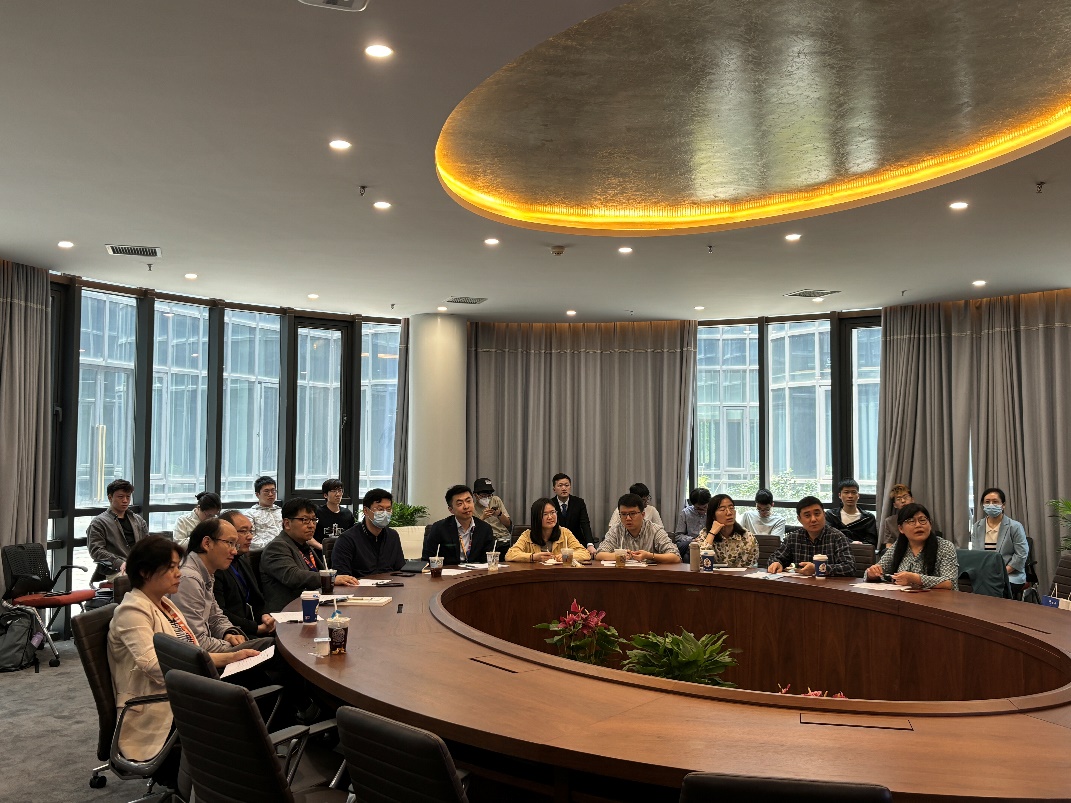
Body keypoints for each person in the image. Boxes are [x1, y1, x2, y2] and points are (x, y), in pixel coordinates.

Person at [107, 536, 258, 764]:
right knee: (244, 695)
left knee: (252, 674)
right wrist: (209, 670)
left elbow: (192, 652)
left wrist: (232, 657)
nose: (179, 574)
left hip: (184, 692)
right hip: (159, 705)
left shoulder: (165, 603)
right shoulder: (132, 611)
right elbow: (154, 667)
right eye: (171, 568)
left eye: (178, 566)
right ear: (145, 572)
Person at [170, 518, 275, 652]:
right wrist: (236, 647)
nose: (234, 551)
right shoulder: (189, 578)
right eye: (230, 543)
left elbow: (215, 617)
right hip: (195, 658)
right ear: (207, 543)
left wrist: (229, 633)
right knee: (272, 648)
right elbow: (194, 641)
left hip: (209, 647)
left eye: (235, 545)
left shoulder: (206, 572)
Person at [260, 497, 359, 612]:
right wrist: (330, 578)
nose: (311, 525)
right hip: (288, 612)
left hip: (313, 605)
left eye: (313, 520)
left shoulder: (304, 545)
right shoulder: (276, 547)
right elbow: (293, 576)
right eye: (305, 520)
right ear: (287, 523)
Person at [213, 511, 276, 639]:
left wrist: (264, 616)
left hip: (254, 625)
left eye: (251, 531)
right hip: (234, 633)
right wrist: (256, 628)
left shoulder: (242, 559)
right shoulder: (217, 567)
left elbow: (256, 598)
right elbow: (220, 612)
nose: (250, 536)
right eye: (243, 531)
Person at [865, 503, 958, 590]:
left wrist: (915, 579)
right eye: (911, 521)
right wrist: (872, 574)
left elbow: (950, 583)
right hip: (903, 598)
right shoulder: (898, 546)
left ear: (930, 524)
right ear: (901, 528)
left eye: (922, 520)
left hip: (937, 599)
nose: (918, 525)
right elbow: (876, 570)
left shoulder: (945, 547)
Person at [768, 496, 855, 576]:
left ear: (824, 514)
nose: (813, 519)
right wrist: (776, 563)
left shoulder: (837, 537)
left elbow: (849, 567)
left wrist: (818, 569)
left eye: (817, 514)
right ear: (799, 519)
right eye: (807, 515)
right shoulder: (793, 538)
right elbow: (775, 558)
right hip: (800, 585)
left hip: (828, 586)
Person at [970, 487, 1029, 599]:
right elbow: (976, 554)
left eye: (995, 502)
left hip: (1010, 575)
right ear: (983, 505)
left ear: (1003, 505)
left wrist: (1003, 572)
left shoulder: (1015, 526)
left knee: (994, 588)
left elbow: (1021, 554)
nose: (991, 505)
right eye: (987, 502)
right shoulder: (977, 526)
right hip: (985, 574)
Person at [332, 489, 406, 577]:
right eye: (380, 509)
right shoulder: (348, 539)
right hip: (359, 584)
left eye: (388, 509)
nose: (385, 513)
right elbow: (342, 576)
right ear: (366, 511)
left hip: (390, 584)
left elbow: (400, 569)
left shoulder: (393, 536)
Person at [88, 479, 149, 583]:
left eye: (128, 497)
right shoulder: (99, 522)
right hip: (115, 570)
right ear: (110, 497)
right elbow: (96, 551)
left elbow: (147, 545)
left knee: (165, 574)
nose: (125, 500)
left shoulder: (138, 520)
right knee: (140, 580)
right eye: (120, 497)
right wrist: (119, 563)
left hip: (138, 566)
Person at [421, 485, 498, 565]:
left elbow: (487, 561)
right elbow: (426, 561)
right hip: (448, 572)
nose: (466, 506)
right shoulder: (439, 528)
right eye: (460, 504)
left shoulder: (485, 529)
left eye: (468, 501)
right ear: (451, 510)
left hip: (475, 572)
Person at [596, 493, 681, 564]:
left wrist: (649, 555)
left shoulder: (655, 530)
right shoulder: (616, 530)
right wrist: (618, 555)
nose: (628, 518)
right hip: (623, 575)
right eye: (624, 514)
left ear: (643, 515)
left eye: (632, 514)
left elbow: (676, 557)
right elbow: (599, 554)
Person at [506, 498, 588, 563]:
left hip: (559, 574)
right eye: (545, 514)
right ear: (536, 517)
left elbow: (585, 553)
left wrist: (568, 556)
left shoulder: (564, 532)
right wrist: (533, 557)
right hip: (536, 574)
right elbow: (509, 555)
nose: (550, 517)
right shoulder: (527, 535)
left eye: (552, 512)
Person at [697, 494, 758, 568]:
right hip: (713, 575)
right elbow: (699, 562)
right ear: (713, 515)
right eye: (722, 510)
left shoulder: (747, 537)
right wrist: (712, 533)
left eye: (731, 508)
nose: (729, 513)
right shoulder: (705, 534)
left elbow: (752, 566)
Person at [825, 479, 878, 546]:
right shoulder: (831, 515)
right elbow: (828, 536)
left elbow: (872, 541)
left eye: (853, 492)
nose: (850, 496)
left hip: (860, 551)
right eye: (846, 492)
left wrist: (858, 545)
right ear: (839, 495)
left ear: (858, 495)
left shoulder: (868, 518)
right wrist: (850, 542)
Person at [551, 473, 594, 551]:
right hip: (556, 543)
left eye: (566, 485)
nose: (564, 488)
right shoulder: (550, 504)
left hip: (577, 542)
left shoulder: (579, 502)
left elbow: (585, 524)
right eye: (560, 485)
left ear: (570, 487)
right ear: (554, 489)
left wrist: (590, 544)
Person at [473, 477, 513, 544]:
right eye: (483, 495)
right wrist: (482, 517)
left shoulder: (495, 500)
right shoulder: (472, 508)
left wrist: (499, 514)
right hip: (486, 540)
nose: (487, 498)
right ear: (475, 495)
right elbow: (472, 531)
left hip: (503, 537)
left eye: (489, 495)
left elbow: (508, 524)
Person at [247, 475, 283, 549]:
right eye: (266, 491)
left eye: (273, 491)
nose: (271, 494)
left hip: (287, 548)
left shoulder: (281, 511)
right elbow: (250, 539)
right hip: (264, 551)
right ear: (257, 494)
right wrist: (275, 545)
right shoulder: (250, 514)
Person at [674, 487, 711, 557]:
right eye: (698, 508)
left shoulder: (713, 513)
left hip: (709, 543)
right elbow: (678, 536)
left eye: (705, 507)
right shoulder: (686, 513)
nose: (702, 511)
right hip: (692, 545)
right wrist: (692, 540)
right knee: (686, 555)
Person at [315, 478, 356, 543]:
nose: (338, 494)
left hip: (342, 548)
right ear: (325, 495)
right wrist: (322, 547)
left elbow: (353, 535)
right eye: (334, 491)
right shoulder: (317, 512)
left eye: (340, 491)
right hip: (320, 548)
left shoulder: (347, 514)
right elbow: (307, 536)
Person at [880, 484, 915, 550]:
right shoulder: (889, 521)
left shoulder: (922, 519)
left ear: (912, 500)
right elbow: (889, 544)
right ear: (895, 505)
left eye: (905, 497)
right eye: (898, 499)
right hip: (897, 552)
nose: (903, 501)